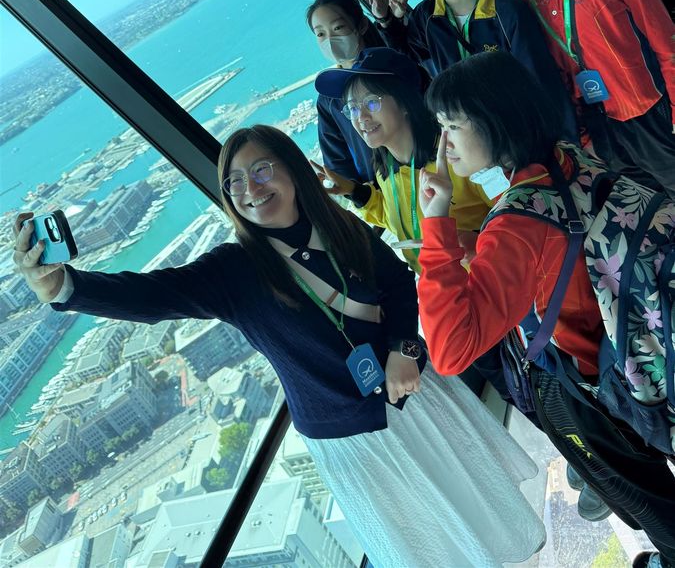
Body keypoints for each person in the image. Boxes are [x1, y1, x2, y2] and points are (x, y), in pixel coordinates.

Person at [13, 125, 546, 568]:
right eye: (234, 181)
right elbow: (153, 296)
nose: (249, 188)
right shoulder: (234, 270)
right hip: (353, 440)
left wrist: (405, 349)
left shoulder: (339, 226)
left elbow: (399, 288)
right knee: (432, 543)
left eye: (262, 169)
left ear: (292, 170)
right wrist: (65, 287)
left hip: (415, 398)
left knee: (474, 511)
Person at [416, 51, 675, 568]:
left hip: (595, 387)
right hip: (637, 345)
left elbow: (449, 350)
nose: (442, 142)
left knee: (650, 500)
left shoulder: (516, 225)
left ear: (495, 119)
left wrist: (436, 223)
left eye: (452, 125)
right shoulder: (566, 158)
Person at [480, 0, 675, 197]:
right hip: (598, 135)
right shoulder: (516, 5)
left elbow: (665, 39)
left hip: (652, 111)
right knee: (650, 214)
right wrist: (583, 144)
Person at [365, 0, 579, 142]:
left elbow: (543, 81)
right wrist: (386, 21)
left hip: (523, 133)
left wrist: (567, 144)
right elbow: (409, 60)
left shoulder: (506, 11)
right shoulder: (427, 16)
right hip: (473, 139)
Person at [311, 47, 492, 274]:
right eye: (353, 108)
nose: (361, 117)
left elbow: (515, 210)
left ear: (404, 101)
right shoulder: (386, 168)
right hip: (439, 287)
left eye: (372, 103)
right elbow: (399, 218)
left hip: (491, 282)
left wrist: (478, 241)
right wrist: (354, 191)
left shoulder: (457, 155)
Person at [307, 0, 385, 183]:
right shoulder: (328, 98)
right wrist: (361, 193)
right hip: (379, 194)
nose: (330, 40)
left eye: (338, 28)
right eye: (320, 33)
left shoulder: (389, 69)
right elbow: (337, 163)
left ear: (361, 25)